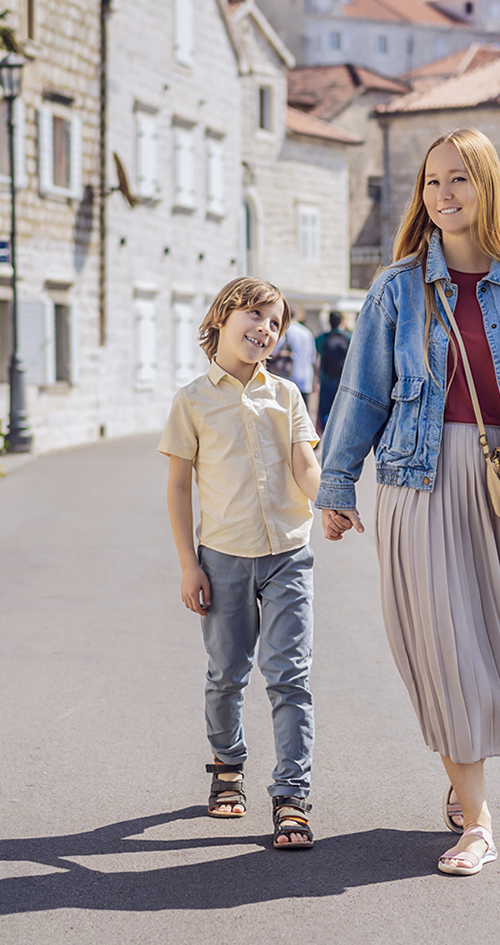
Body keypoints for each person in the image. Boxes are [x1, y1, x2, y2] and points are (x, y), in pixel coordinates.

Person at [316, 128, 500, 877]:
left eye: (459, 180)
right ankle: (478, 820)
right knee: (443, 655)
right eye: (433, 181)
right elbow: (363, 392)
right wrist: (337, 484)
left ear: (487, 187)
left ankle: (461, 773)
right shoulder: (397, 288)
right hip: (419, 481)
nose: (444, 194)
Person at [160, 277, 321, 850]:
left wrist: (331, 498)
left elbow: (305, 466)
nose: (266, 330)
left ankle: (292, 797)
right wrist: (188, 564)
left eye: (275, 323)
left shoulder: (287, 396)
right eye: (255, 315)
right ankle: (227, 766)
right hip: (223, 557)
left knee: (290, 676)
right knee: (227, 673)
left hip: (289, 553)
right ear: (224, 317)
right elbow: (179, 488)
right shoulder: (192, 400)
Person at [271, 319, 317, 415]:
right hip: (305, 378)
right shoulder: (307, 332)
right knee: (302, 415)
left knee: (286, 416)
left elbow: (273, 352)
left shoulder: (285, 332)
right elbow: (313, 358)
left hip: (288, 377)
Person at [314, 311, 350, 433]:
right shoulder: (348, 337)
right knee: (341, 410)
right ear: (341, 321)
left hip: (326, 378)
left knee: (325, 410)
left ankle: (326, 434)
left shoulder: (322, 338)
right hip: (343, 380)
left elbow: (316, 356)